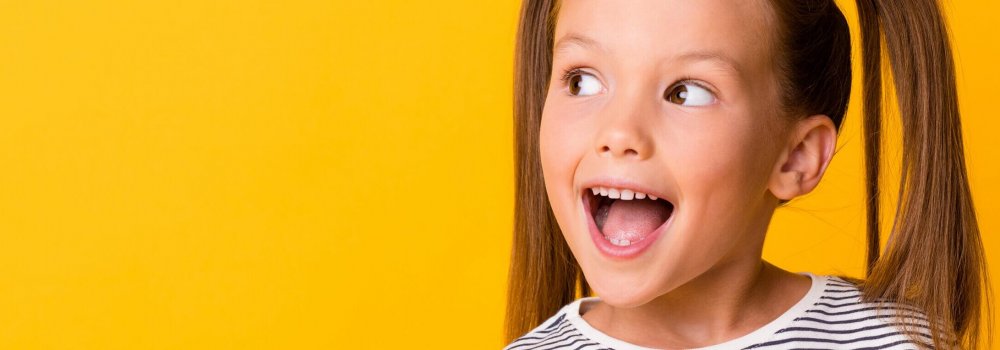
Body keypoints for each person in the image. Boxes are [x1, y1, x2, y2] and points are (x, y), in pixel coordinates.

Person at [503, 0, 991, 349]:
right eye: (581, 81)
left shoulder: (895, 342)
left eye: (685, 92)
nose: (619, 132)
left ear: (795, 156)